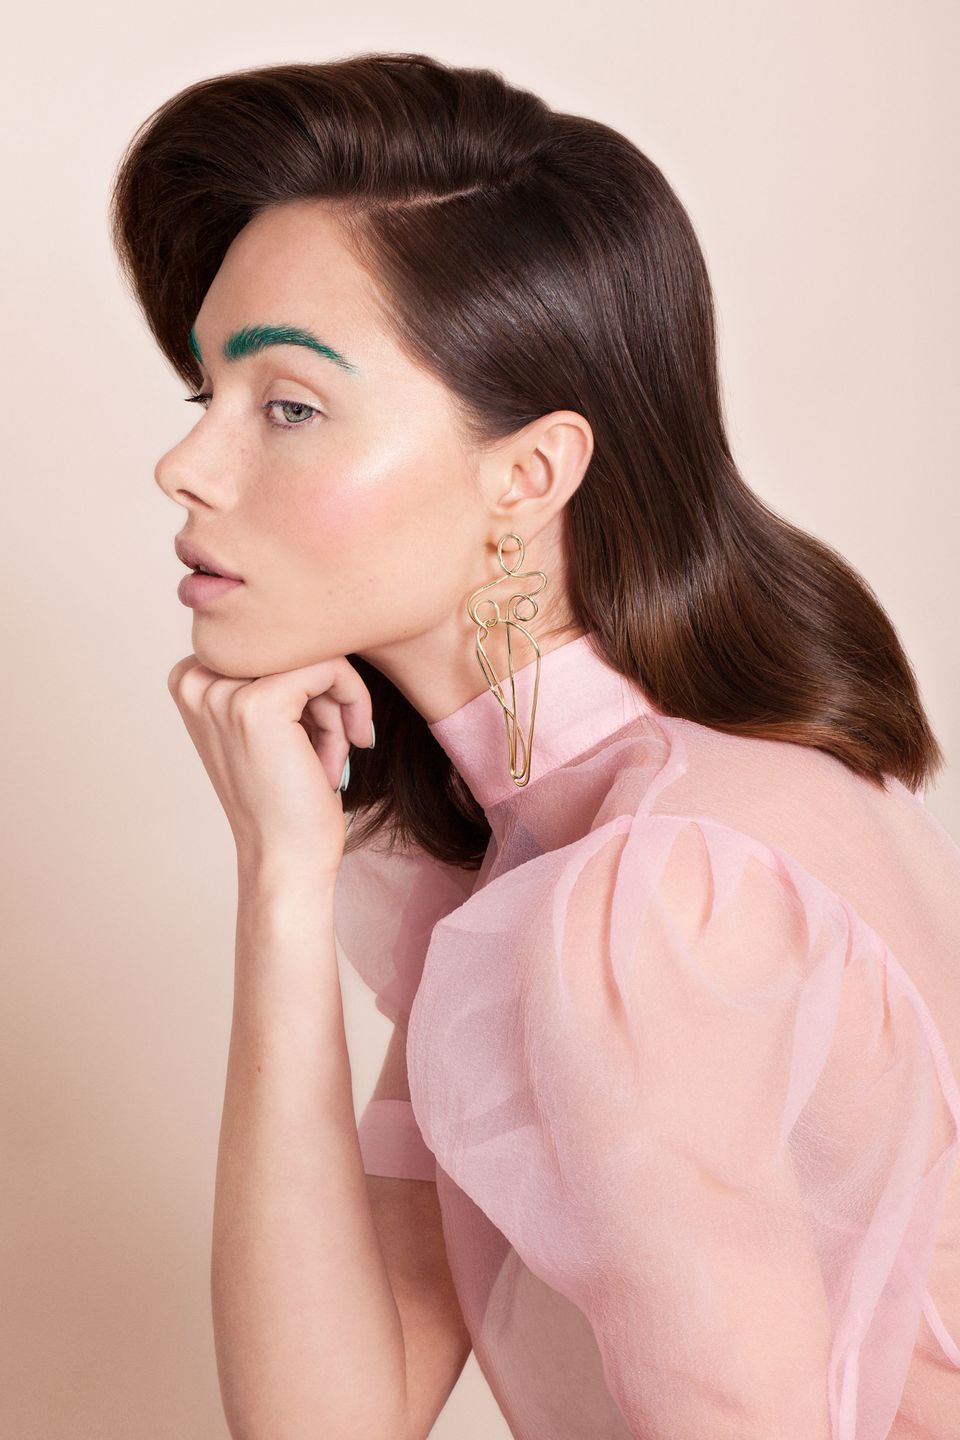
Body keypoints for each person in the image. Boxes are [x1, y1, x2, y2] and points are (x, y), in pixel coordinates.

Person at [109, 51, 960, 1439]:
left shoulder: (659, 892)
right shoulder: (545, 861)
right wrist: (282, 879)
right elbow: (330, 1422)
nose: (186, 467)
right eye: (206, 396)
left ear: (528, 475)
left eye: (289, 405)